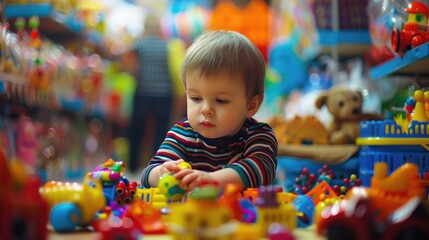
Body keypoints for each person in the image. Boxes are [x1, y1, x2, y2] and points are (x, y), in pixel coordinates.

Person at [140, 30, 278, 191]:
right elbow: (147, 174)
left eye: (221, 101)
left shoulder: (258, 135)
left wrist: (211, 180)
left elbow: (260, 171)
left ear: (251, 106)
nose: (206, 110)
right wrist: (161, 172)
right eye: (196, 98)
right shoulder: (182, 134)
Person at [125, 13, 185, 173]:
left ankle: (132, 166)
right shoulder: (168, 46)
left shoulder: (139, 44)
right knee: (160, 131)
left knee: (137, 130)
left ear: (145, 27)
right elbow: (173, 70)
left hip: (143, 92)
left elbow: (131, 67)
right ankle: (157, 165)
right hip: (164, 94)